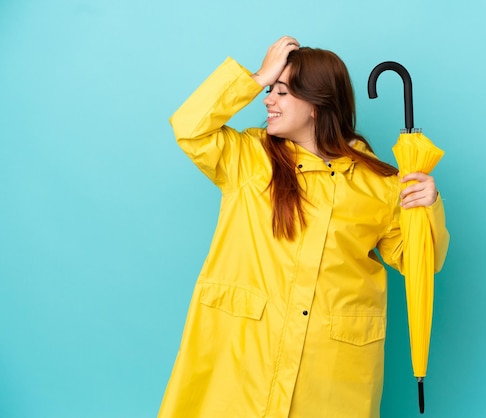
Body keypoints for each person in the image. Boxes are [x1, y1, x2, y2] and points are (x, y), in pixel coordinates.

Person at [158, 36, 449, 418]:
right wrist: (256, 75)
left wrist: (427, 206)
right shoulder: (249, 159)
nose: (267, 100)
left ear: (316, 104)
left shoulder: (379, 185)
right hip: (241, 358)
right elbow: (189, 128)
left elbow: (419, 264)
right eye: (268, 89)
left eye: (281, 91)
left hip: (328, 374)